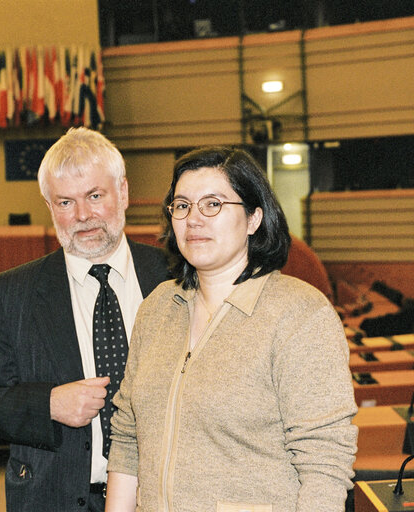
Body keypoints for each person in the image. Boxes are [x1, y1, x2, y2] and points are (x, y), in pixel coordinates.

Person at [105, 147, 358, 511]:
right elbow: (129, 436)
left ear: (254, 218)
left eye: (213, 204)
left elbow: (325, 462)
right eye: (182, 205)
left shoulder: (301, 314)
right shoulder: (157, 308)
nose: (193, 219)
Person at [0, 126, 170, 512]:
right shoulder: (12, 292)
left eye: (94, 196)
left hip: (164, 495)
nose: (83, 216)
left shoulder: (175, 275)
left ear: (122, 192)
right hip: (53, 498)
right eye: (65, 203)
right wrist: (48, 404)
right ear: (50, 206)